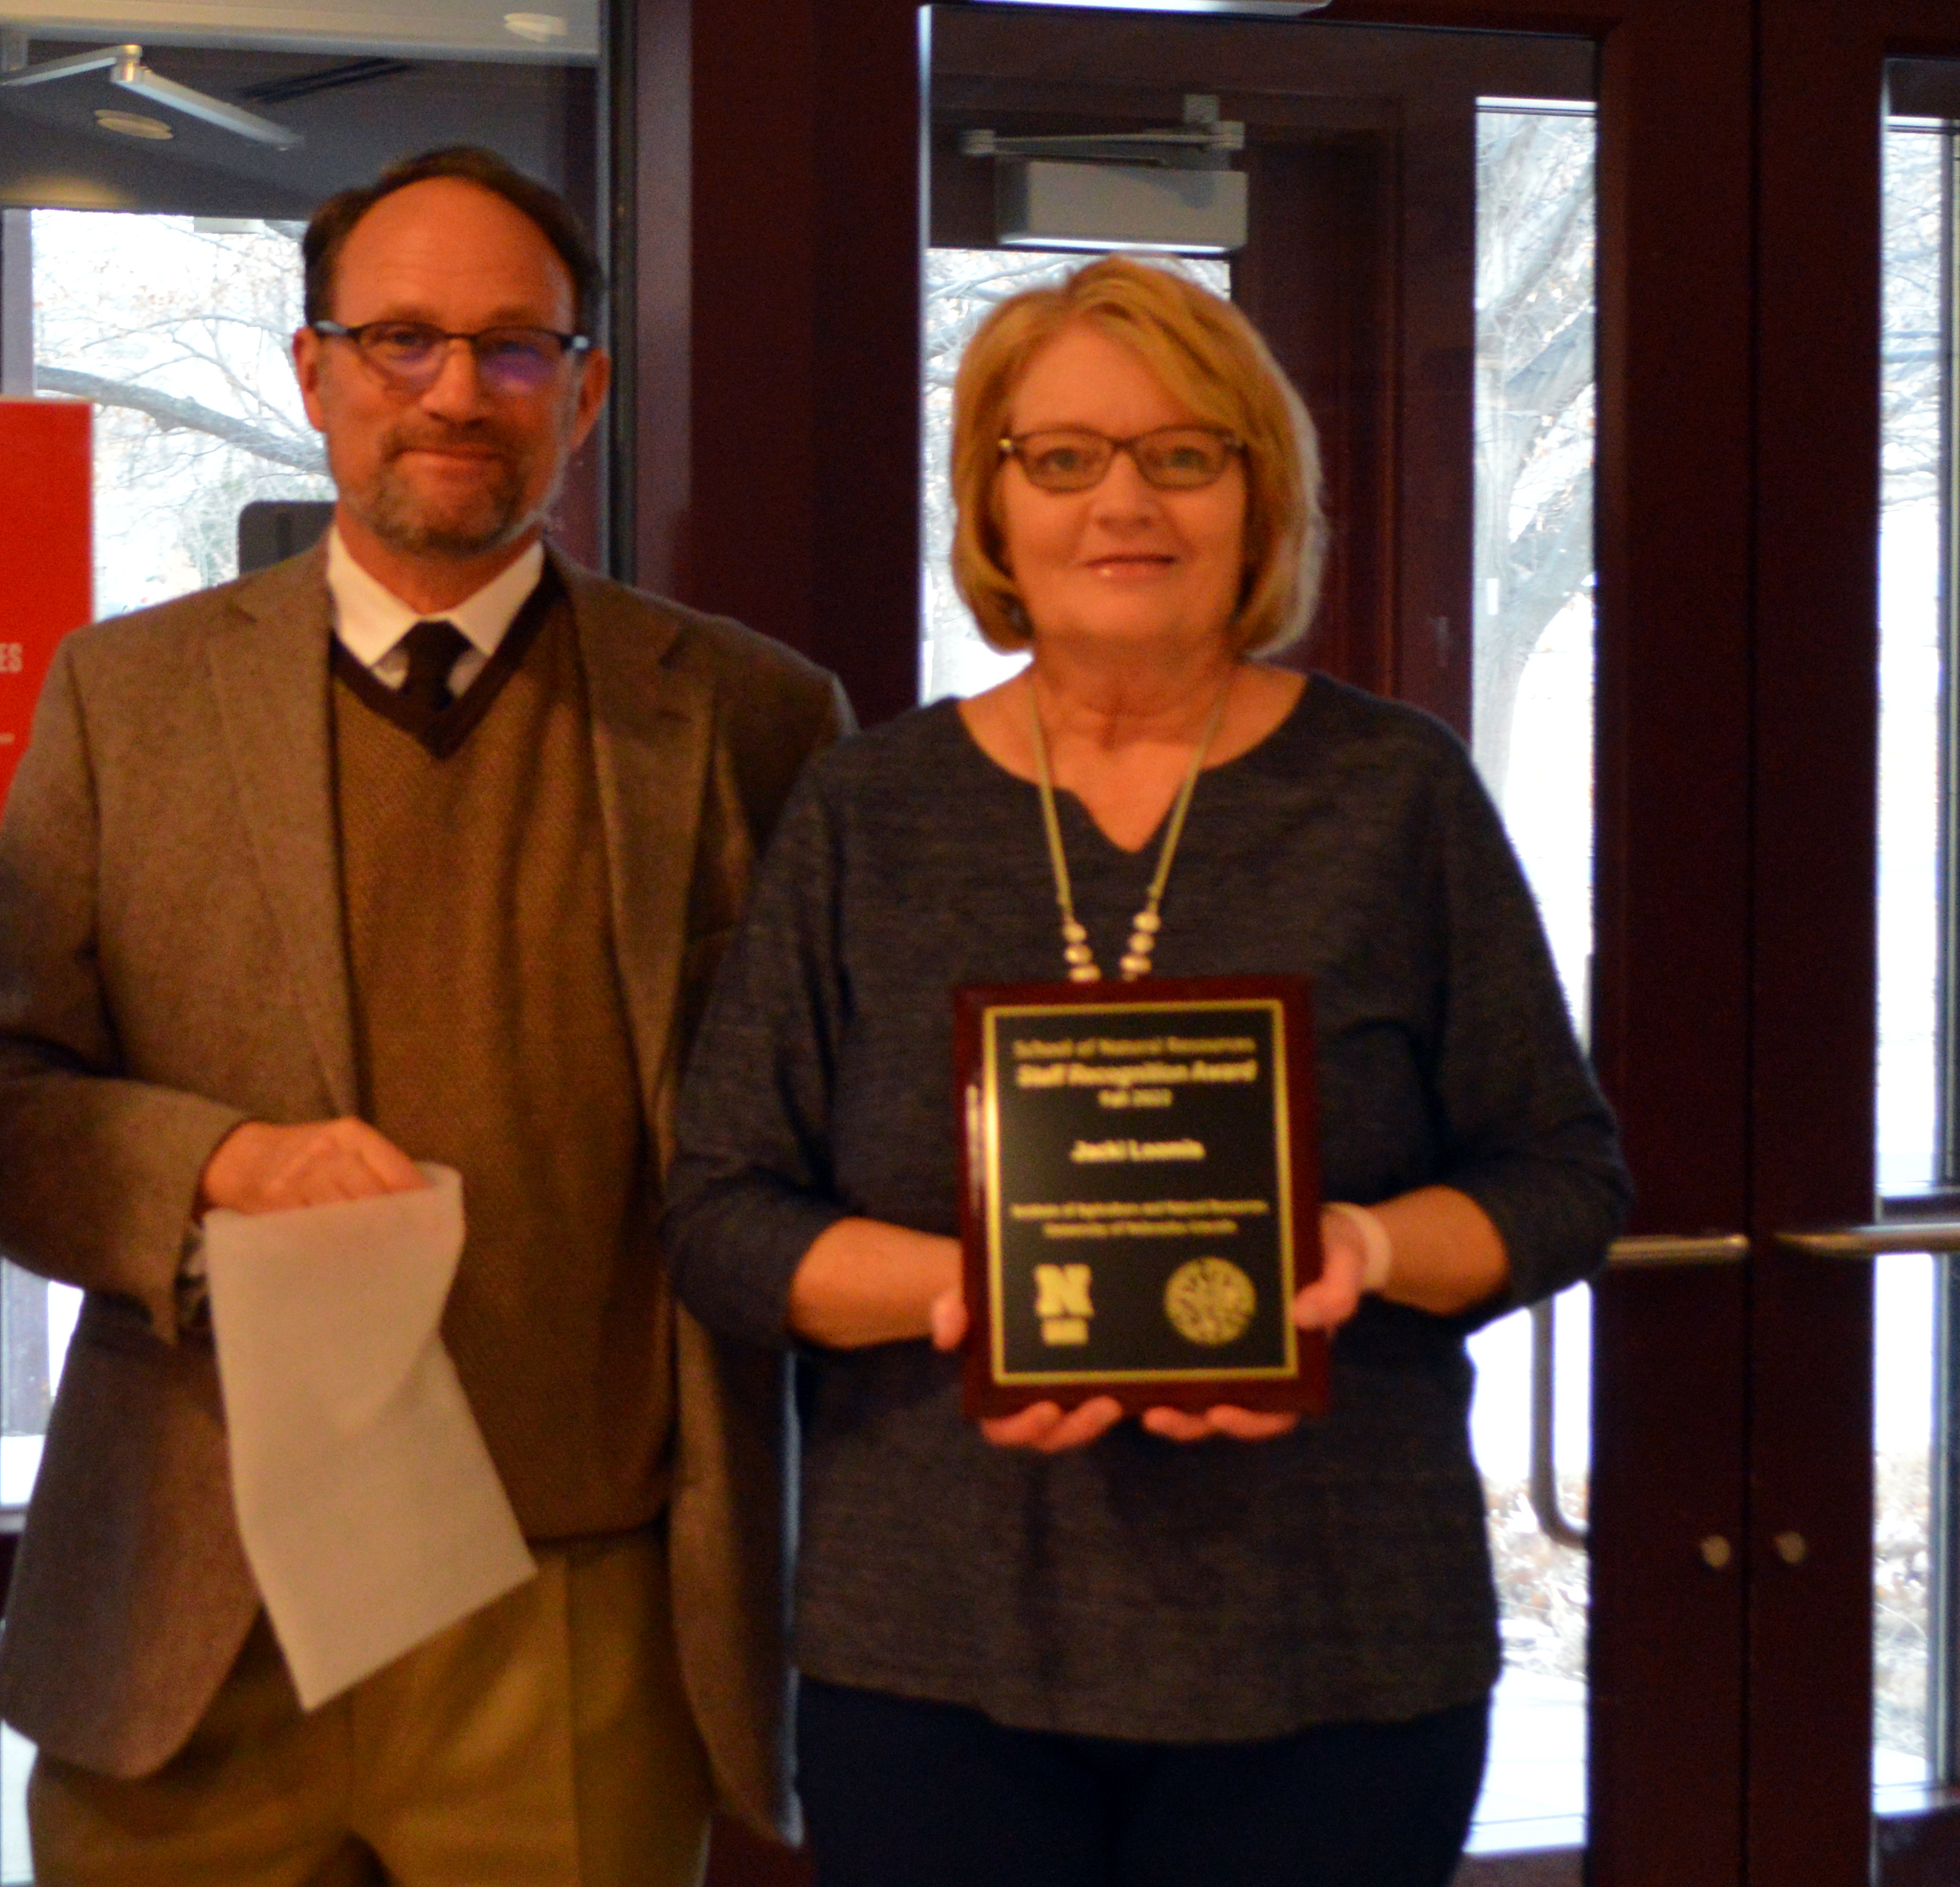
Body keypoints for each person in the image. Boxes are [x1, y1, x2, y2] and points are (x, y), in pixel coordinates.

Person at [0, 145, 848, 1886]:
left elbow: (825, 1130)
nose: (455, 393)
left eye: (513, 350)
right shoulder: (128, 697)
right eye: (401, 341)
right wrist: (211, 1171)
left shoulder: (751, 716)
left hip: (577, 1613)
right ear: (315, 371)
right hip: (200, 1615)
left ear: (581, 390)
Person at [663, 255, 1631, 1887]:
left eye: (1184, 454)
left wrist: (1365, 1249)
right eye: (1064, 457)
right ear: (995, 503)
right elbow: (719, 1212)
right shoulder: (868, 810)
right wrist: (972, 1291)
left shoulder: (1394, 793)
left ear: (1259, 497)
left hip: (1335, 1647)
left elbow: (1563, 1178)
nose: (1125, 501)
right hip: (932, 1650)